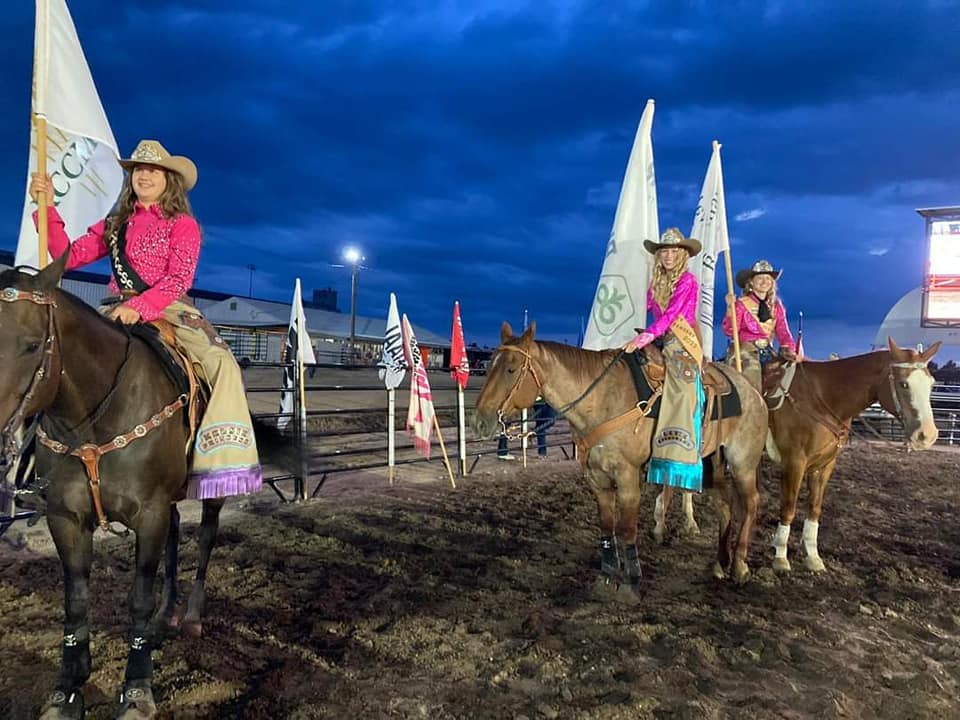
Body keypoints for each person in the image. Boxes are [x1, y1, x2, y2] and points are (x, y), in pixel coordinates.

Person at [29, 139, 262, 500]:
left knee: (222, 363)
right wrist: (45, 206)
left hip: (169, 307)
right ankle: (36, 462)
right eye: (139, 169)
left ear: (170, 180)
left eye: (153, 170)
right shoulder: (115, 223)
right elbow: (66, 255)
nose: (145, 175)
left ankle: (219, 461)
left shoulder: (182, 224)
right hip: (114, 306)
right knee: (49, 358)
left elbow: (178, 279)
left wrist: (142, 306)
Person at [623, 227, 705, 492]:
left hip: (680, 342)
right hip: (658, 338)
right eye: (664, 251)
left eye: (673, 251)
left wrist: (645, 337)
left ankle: (677, 453)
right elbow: (644, 306)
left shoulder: (688, 281)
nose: (668, 256)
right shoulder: (656, 281)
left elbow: (671, 316)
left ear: (682, 254)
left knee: (681, 390)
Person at [721, 259, 797, 391]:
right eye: (760, 278)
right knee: (752, 372)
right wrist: (730, 308)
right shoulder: (740, 304)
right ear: (751, 282)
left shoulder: (776, 307)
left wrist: (789, 348)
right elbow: (729, 331)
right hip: (745, 351)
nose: (764, 281)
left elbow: (783, 331)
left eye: (768, 278)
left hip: (768, 350)